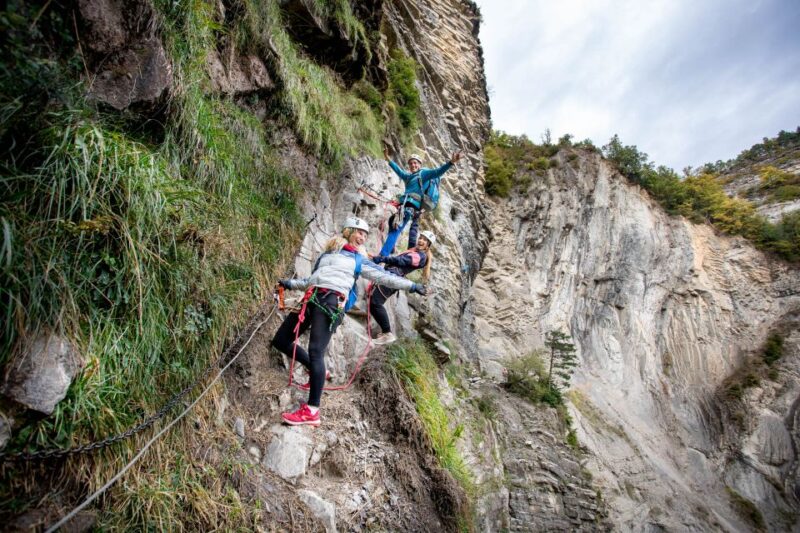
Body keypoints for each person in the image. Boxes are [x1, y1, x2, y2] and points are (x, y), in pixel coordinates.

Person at [272, 216, 428, 426]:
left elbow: (383, 277)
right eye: (359, 233)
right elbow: (313, 280)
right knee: (281, 340)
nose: (362, 238)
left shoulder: (358, 260)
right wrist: (290, 283)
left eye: (365, 235)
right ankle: (317, 370)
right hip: (312, 297)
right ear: (348, 231)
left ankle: (312, 411)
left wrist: (411, 286)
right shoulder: (327, 255)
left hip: (331, 302)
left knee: (316, 350)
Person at [379, 148, 461, 256]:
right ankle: (391, 247)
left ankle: (382, 256)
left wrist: (451, 162)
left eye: (415, 163)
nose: (413, 165)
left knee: (396, 229)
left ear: (419, 164)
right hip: (404, 206)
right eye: (411, 163)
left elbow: (438, 172)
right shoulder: (408, 177)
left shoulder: (423, 174)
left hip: (410, 208)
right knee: (391, 221)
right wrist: (387, 158)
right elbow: (398, 170)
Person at [369, 230, 436, 345]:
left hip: (393, 279)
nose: (420, 240)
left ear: (428, 245)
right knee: (374, 301)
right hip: (391, 276)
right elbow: (412, 236)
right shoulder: (414, 250)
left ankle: (387, 333)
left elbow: (400, 261)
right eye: (421, 238)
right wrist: (415, 218)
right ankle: (386, 332)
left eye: (425, 240)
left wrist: (382, 258)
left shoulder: (420, 257)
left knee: (375, 302)